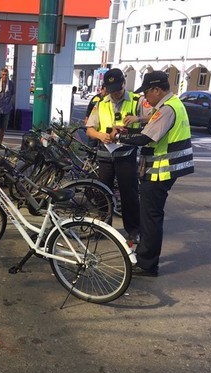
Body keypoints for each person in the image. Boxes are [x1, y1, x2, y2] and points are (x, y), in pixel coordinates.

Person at [111, 71, 194, 277]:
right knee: (152, 215)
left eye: (147, 92)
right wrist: (131, 128)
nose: (145, 98)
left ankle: (147, 264)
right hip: (167, 168)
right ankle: (146, 258)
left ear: (157, 90)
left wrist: (119, 138)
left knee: (150, 217)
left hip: (160, 170)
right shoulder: (173, 104)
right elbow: (150, 128)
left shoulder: (167, 109)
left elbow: (145, 138)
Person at [86, 68, 150, 246]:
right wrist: (100, 135)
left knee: (128, 193)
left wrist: (138, 119)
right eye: (111, 89)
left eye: (118, 89)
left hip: (126, 154)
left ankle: (133, 231)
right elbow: (90, 128)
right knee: (102, 193)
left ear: (124, 83)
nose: (115, 93)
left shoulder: (138, 101)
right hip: (105, 154)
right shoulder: (101, 103)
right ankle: (102, 227)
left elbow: (155, 117)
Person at [0, 67, 14, 146]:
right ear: (1, 75)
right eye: (3, 75)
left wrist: (9, 103)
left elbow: (12, 94)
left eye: (6, 75)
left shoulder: (11, 84)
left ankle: (0, 143)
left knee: (3, 128)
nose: (4, 76)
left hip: (6, 108)